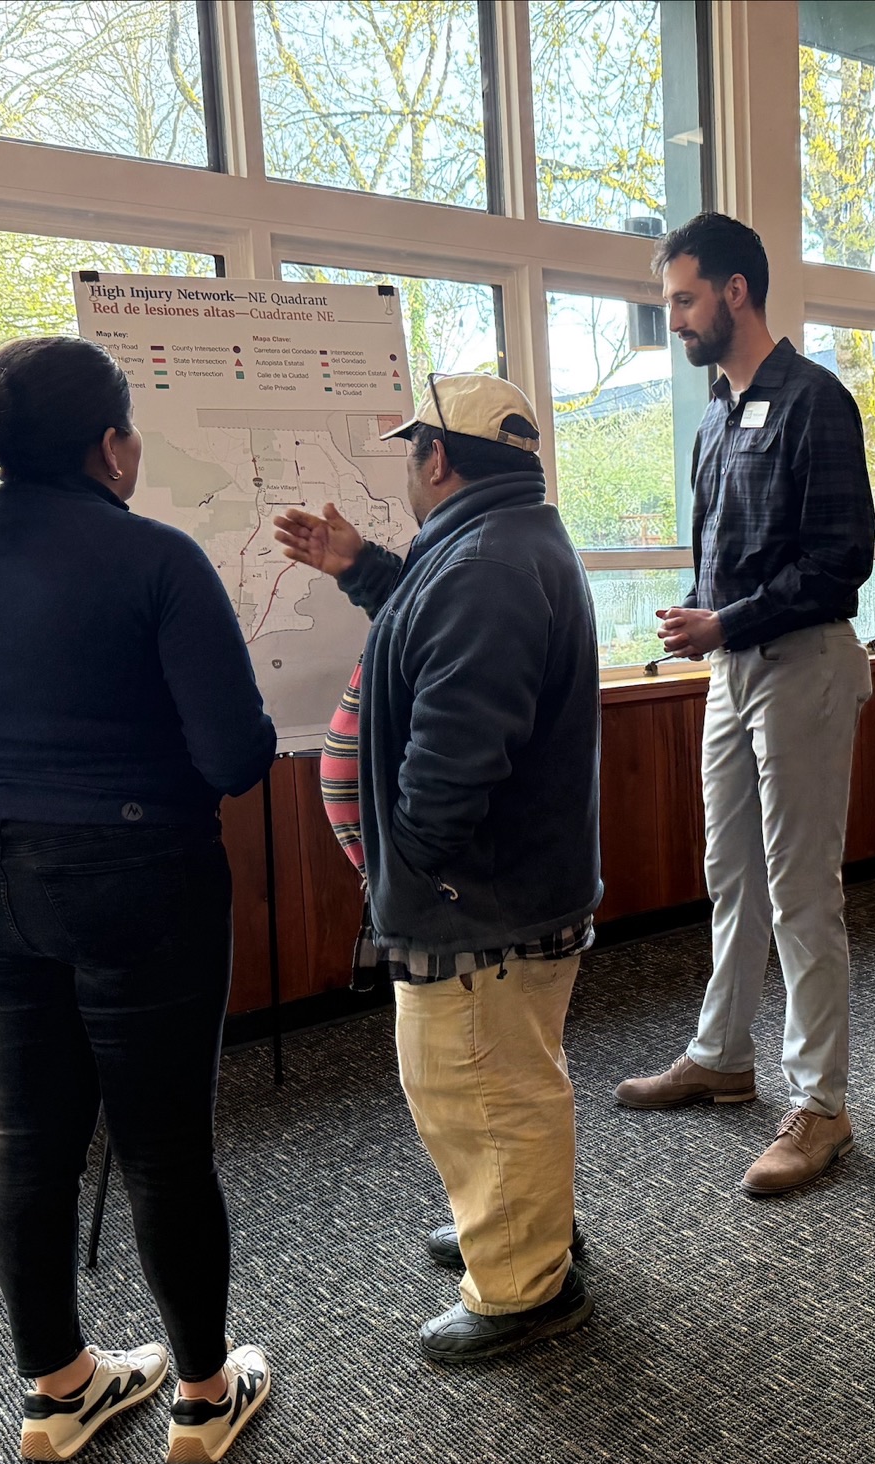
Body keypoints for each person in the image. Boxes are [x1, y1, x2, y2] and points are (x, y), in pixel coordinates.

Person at [0, 337, 276, 1464]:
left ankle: (58, 1391)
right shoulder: (156, 558)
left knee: (31, 1136)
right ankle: (200, 1396)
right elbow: (236, 753)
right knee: (163, 1149)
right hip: (140, 876)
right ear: (109, 445)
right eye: (132, 429)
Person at [271, 373, 602, 1363]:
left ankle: (522, 1286)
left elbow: (459, 754)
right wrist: (361, 565)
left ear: (439, 458)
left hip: (473, 900)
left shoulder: (488, 565)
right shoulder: (492, 544)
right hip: (498, 893)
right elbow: (431, 630)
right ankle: (522, 1222)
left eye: (409, 451)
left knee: (476, 1088)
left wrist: (406, 871)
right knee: (505, 1076)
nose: (406, 467)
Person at [614, 212, 875, 1197]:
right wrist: (704, 616)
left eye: (682, 298)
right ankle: (722, 1056)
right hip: (730, 673)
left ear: (733, 293)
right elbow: (723, 559)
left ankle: (821, 1103)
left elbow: (839, 566)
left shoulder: (817, 403)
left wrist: (723, 623)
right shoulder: (715, 418)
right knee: (729, 874)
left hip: (800, 662)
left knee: (801, 889)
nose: (672, 319)